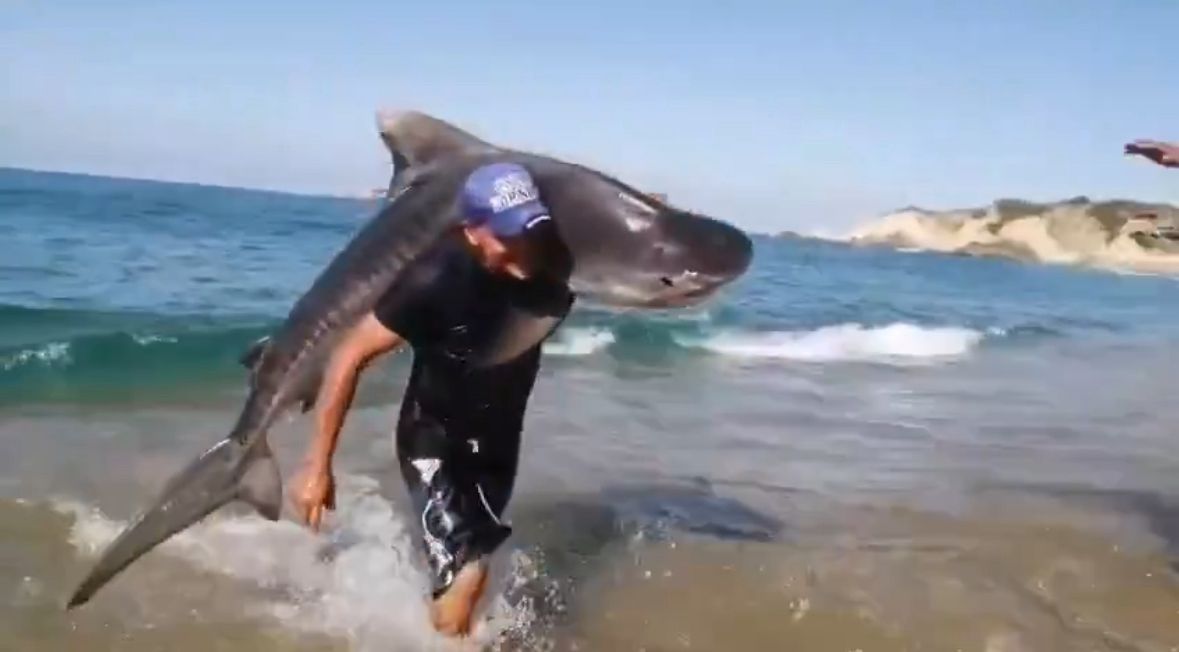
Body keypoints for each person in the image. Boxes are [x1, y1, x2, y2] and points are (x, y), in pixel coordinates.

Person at [288, 161, 575, 636]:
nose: (525, 245)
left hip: (499, 446)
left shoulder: (548, 263)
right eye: (509, 235)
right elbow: (349, 354)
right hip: (434, 442)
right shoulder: (434, 279)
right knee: (470, 572)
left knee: (471, 564)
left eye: (531, 229)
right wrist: (317, 466)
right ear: (473, 232)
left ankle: (436, 629)